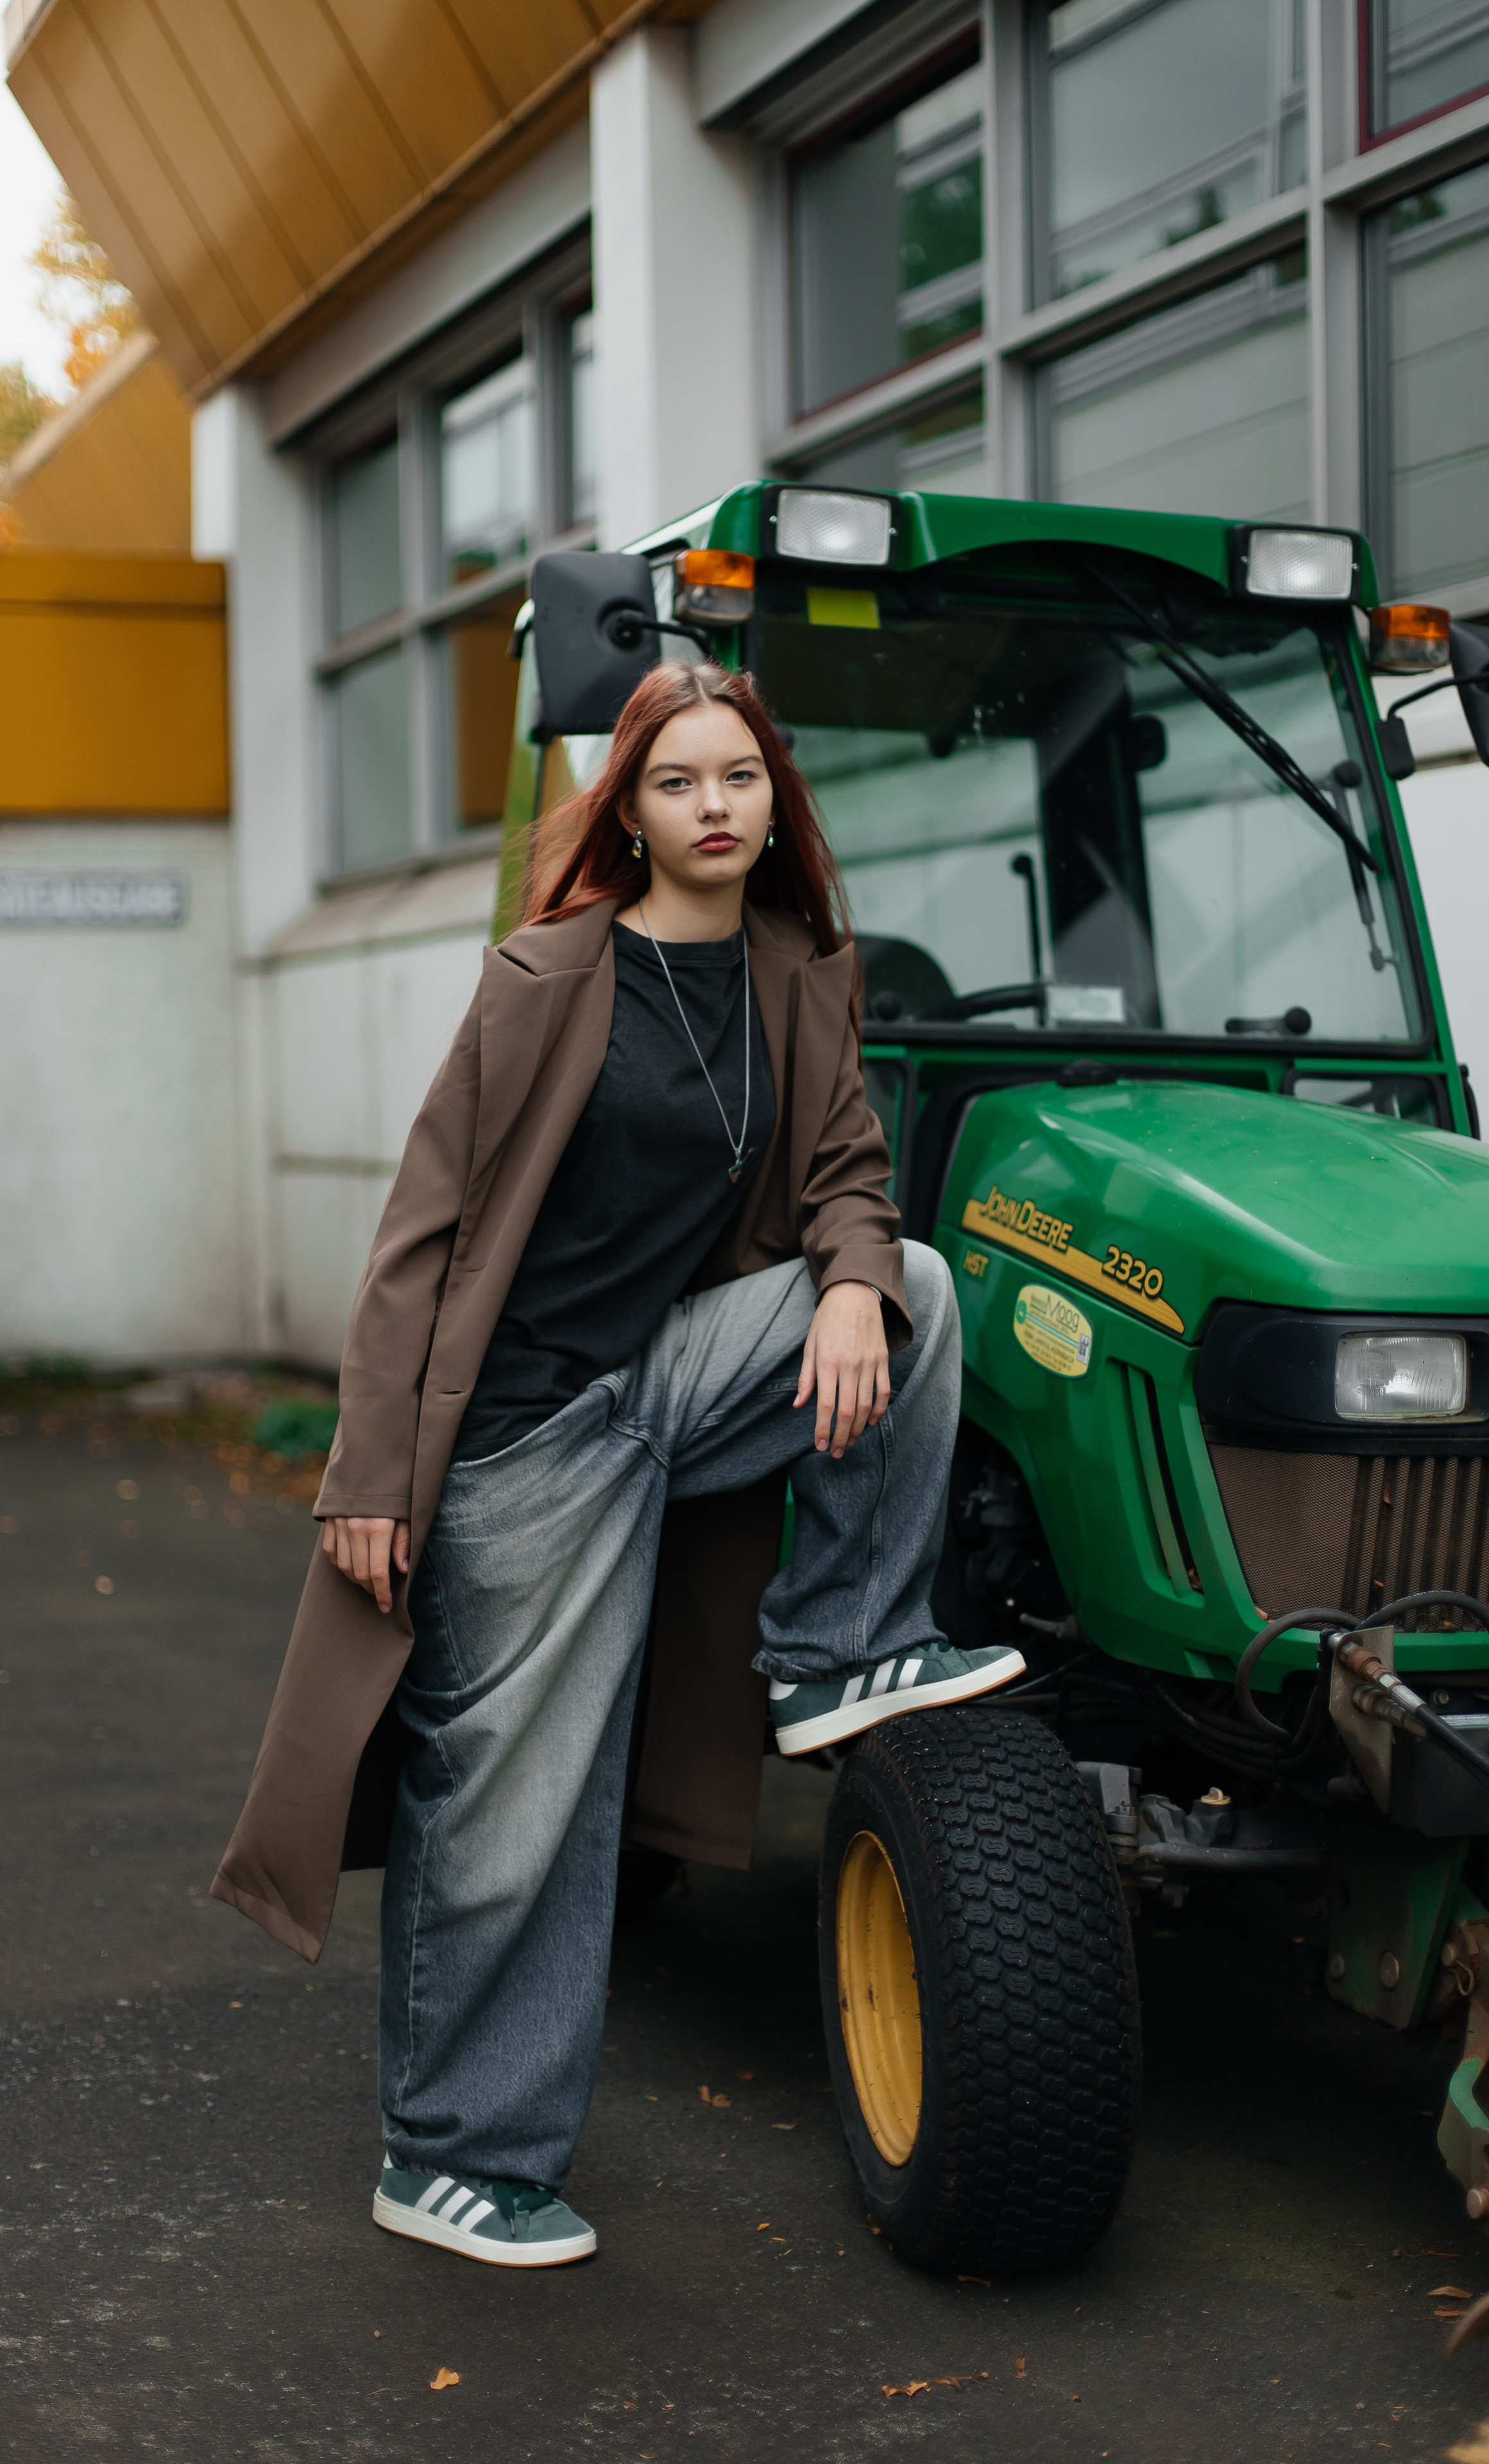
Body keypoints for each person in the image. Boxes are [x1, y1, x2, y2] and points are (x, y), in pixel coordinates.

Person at [212, 660, 1023, 2269]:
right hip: (523, 1434)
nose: (716, 806)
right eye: (679, 782)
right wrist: (369, 1476)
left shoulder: (797, 970)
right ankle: (449, 2156)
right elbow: (420, 1235)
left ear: (772, 798)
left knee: (915, 1289)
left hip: (668, 1379)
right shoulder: (549, 975)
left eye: (740, 778)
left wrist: (849, 1278)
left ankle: (839, 1647)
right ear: (631, 813)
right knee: (524, 1805)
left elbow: (849, 1167)